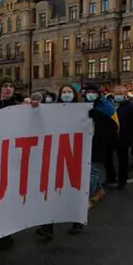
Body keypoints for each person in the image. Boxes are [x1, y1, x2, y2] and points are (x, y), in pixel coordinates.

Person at [36, 84, 83, 239]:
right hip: (56, 153)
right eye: (64, 92)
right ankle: (48, 225)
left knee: (73, 190)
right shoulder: (53, 111)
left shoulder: (82, 111)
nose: (66, 94)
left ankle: (77, 220)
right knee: (52, 190)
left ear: (74, 94)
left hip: (75, 155)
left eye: (69, 92)